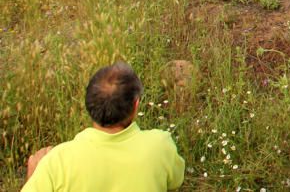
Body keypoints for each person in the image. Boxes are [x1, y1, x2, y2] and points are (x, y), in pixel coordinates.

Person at [22, 62, 184, 192]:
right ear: (136, 106)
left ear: (88, 105)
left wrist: (33, 175)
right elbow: (175, 182)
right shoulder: (161, 145)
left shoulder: (57, 162)